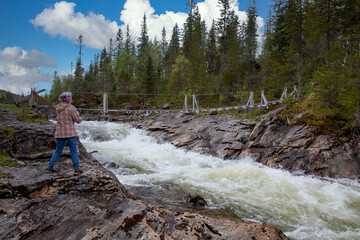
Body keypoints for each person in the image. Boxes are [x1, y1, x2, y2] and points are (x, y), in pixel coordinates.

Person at [46, 92, 83, 175]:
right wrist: (80, 117)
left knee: (58, 150)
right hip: (70, 132)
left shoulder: (58, 108)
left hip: (60, 132)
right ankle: (76, 169)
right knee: (73, 151)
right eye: (70, 98)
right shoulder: (71, 108)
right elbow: (78, 120)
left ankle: (50, 166)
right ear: (69, 99)